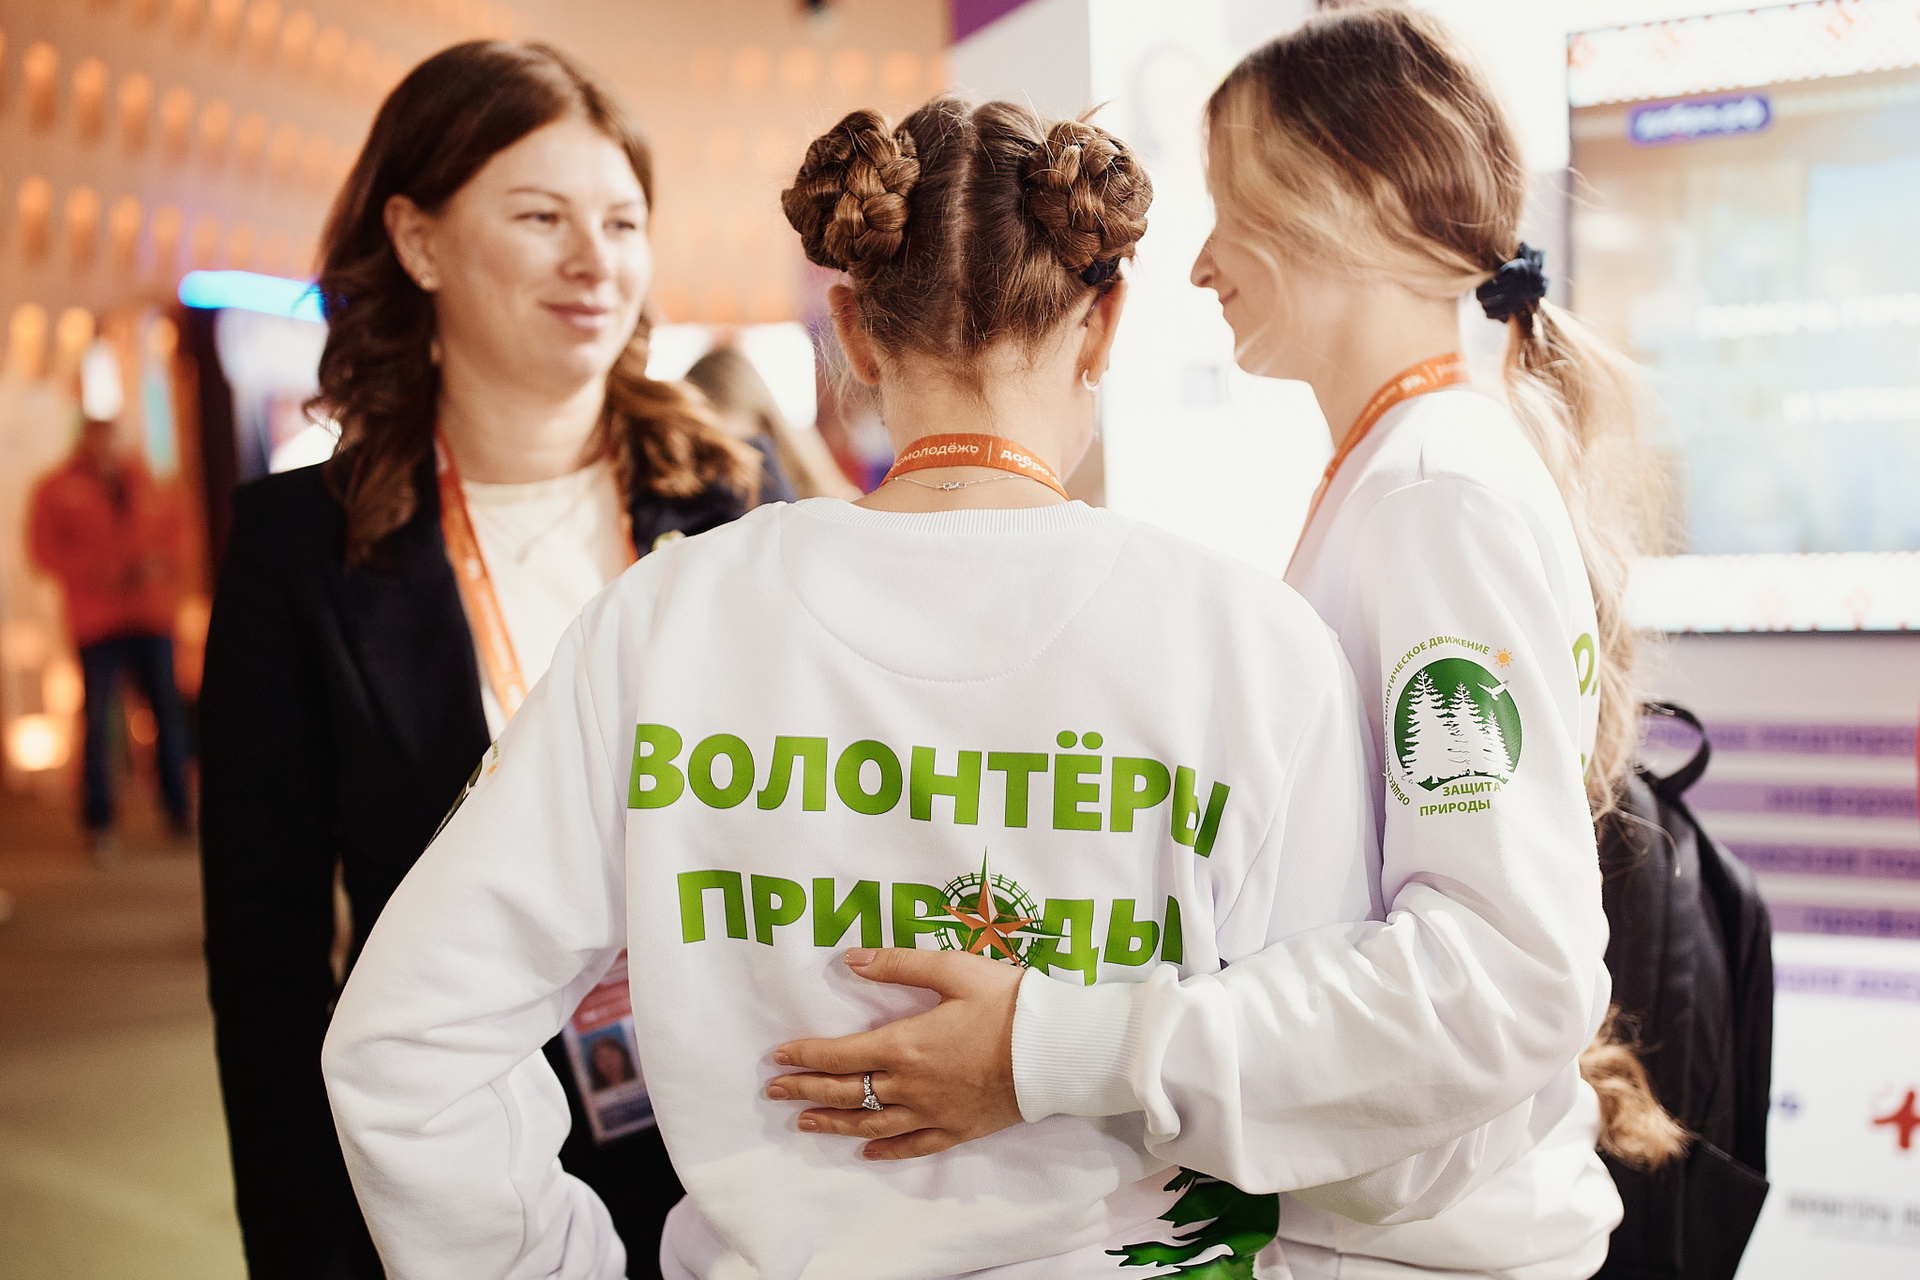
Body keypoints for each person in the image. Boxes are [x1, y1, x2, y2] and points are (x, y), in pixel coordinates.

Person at [320, 97, 1392, 1278]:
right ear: (1104, 324)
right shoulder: (1250, 643)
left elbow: (408, 1043)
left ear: (855, 334)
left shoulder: (667, 621)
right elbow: (1356, 1092)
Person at [768, 9, 1682, 1280]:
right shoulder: (1407, 470)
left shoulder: (1435, 492)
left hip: (1429, 1243)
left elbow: (1500, 976)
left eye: (1231, 210)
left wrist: (1056, 1047)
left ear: (1350, 202)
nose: (1200, 267)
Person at [198, 41, 759, 1280]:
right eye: (541, 216)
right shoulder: (299, 550)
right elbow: (268, 964)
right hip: (462, 1176)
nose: (594, 259)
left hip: (744, 1155)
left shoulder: (733, 507)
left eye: (622, 220)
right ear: (419, 240)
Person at [28, 407, 194, 857]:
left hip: (150, 613)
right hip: (96, 619)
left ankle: (178, 808)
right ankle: (98, 818)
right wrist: (96, 572)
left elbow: (180, 535)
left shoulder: (148, 481)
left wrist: (160, 565)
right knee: (98, 719)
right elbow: (43, 549)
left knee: (166, 711)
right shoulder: (57, 488)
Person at [684, 346, 861, 501]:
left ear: (767, 427)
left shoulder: (835, 504)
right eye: (702, 453)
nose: (719, 470)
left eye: (738, 446)